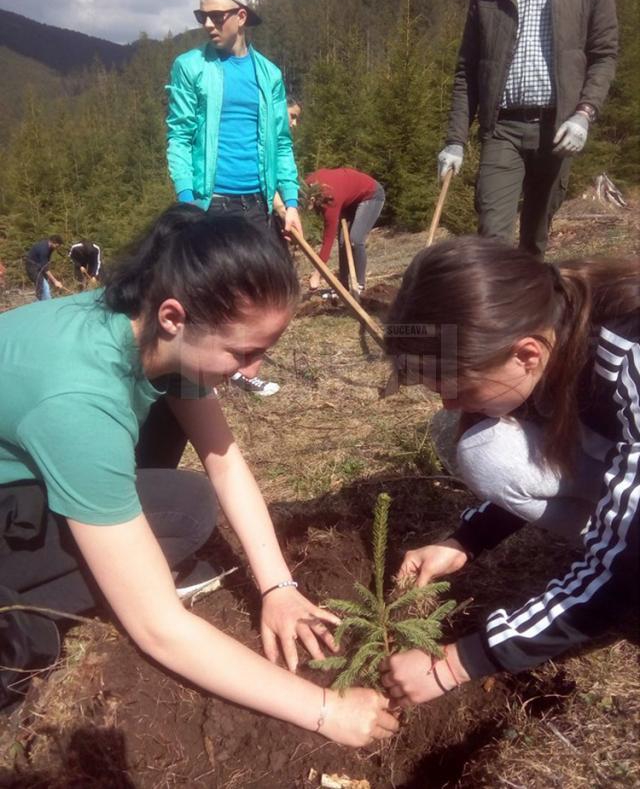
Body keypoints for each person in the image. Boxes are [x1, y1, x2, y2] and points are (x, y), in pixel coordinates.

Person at [0, 204, 399, 744]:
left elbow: (224, 458)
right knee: (179, 519)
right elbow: (158, 630)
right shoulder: (80, 404)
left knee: (184, 502)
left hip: (36, 452)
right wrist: (327, 710)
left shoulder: (148, 327)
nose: (253, 370)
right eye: (244, 352)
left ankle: (113, 547)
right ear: (174, 316)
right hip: (19, 486)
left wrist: (279, 587)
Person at [381, 236, 638, 706]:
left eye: (459, 386)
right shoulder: (540, 314)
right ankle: (606, 536)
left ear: (526, 355)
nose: (448, 403)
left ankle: (605, 555)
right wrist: (465, 540)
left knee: (625, 572)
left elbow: (623, 569)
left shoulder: (630, 358)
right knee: (485, 447)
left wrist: (453, 665)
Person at [166, 0, 303, 397]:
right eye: (201, 16)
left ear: (240, 16)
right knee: (205, 291)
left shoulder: (269, 75)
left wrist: (291, 200)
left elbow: (281, 141)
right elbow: (179, 136)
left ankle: (244, 371)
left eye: (216, 16)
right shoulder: (191, 67)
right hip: (211, 201)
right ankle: (196, 380)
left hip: (259, 202)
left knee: (259, 290)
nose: (207, 24)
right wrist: (188, 201)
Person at [438, 0, 618, 257]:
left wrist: (584, 113)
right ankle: (500, 305)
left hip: (558, 130)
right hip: (502, 130)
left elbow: (604, 55)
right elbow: (467, 72)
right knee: (492, 241)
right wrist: (455, 140)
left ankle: (530, 304)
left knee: (535, 242)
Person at [304, 168, 385, 293]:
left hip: (371, 194)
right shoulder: (309, 183)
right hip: (350, 199)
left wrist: (317, 275)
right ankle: (343, 286)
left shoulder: (330, 201)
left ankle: (359, 284)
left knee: (355, 239)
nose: (310, 209)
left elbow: (328, 240)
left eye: (310, 205)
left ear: (314, 199)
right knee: (342, 241)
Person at [24, 235, 64, 300]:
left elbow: (46, 264)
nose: (58, 247)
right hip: (32, 267)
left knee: (46, 284)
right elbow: (45, 268)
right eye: (57, 245)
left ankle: (45, 301)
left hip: (38, 266)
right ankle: (41, 304)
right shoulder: (43, 249)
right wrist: (55, 281)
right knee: (42, 285)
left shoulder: (50, 247)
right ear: (53, 242)